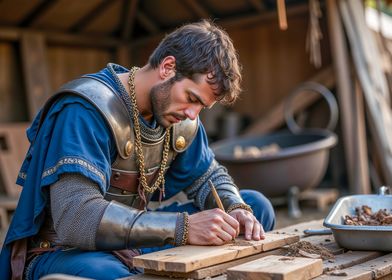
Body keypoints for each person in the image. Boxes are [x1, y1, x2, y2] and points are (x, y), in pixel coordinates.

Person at [0, 20, 275, 280]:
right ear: (168, 67)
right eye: (191, 98)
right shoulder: (85, 109)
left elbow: (208, 176)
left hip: (131, 244)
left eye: (201, 106)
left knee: (256, 210)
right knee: (109, 274)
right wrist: (185, 229)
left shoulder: (179, 116)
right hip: (65, 250)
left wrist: (235, 206)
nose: (193, 114)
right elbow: (76, 218)